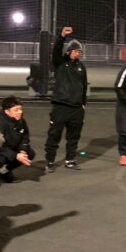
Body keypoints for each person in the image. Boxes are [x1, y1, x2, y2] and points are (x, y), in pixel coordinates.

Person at [45, 26, 88, 173]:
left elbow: (84, 85)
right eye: (75, 51)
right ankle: (50, 161)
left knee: (74, 136)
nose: (78, 53)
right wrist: (62, 36)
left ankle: (70, 160)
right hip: (61, 106)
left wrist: (83, 104)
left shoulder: (81, 67)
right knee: (54, 135)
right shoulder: (60, 63)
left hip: (76, 108)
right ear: (68, 51)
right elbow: (56, 50)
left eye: (79, 52)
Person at [0, 96, 35, 186]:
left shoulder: (21, 121)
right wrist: (16, 155)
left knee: (30, 154)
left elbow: (25, 136)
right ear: (7, 111)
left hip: (12, 148)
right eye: (16, 110)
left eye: (20, 109)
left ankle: (4, 172)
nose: (20, 112)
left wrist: (23, 150)